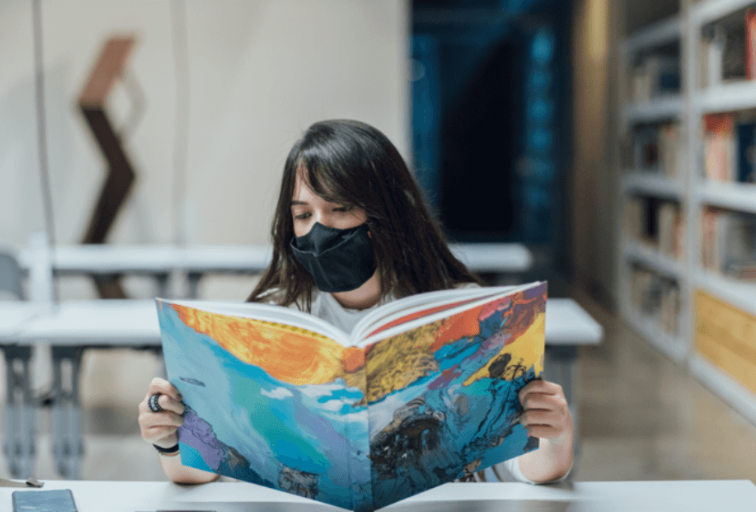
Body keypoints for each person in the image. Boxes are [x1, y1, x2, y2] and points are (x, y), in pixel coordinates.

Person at [138, 119, 574, 486]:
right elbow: (210, 470)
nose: (319, 230)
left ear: (387, 212)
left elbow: (520, 467)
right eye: (303, 215)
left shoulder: (466, 316)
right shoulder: (272, 321)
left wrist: (556, 436)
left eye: (340, 208)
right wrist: (170, 440)